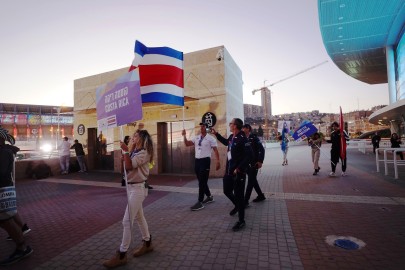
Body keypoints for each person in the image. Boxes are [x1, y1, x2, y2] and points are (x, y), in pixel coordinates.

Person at [103, 130, 154, 268]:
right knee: (139, 217)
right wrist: (125, 155)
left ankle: (122, 254)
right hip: (131, 188)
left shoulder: (144, 152)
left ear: (142, 139)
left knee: (126, 221)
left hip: (138, 189)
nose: (133, 137)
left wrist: (125, 152)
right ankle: (147, 242)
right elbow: (125, 170)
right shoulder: (134, 152)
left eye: (136, 135)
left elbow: (130, 166)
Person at [211, 118, 252, 232]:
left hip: (238, 173)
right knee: (226, 191)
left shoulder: (243, 138)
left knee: (239, 195)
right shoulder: (231, 137)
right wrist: (216, 134)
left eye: (231, 123)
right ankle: (238, 206)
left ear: (236, 125)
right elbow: (225, 142)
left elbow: (249, 155)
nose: (229, 125)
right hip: (229, 171)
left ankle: (241, 220)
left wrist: (239, 168)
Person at [0, 127, 33, 266]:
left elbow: (0, 173)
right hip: (4, 188)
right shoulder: (5, 151)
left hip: (2, 188)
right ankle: (22, 240)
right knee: (8, 217)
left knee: (6, 219)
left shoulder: (3, 153)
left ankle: (22, 247)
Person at [182, 123, 221, 211]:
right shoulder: (197, 137)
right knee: (201, 181)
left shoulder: (211, 139)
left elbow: (215, 150)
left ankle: (200, 202)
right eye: (201, 126)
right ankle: (209, 197)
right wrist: (184, 136)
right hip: (197, 161)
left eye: (203, 126)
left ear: (206, 128)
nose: (201, 127)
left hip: (205, 161)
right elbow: (187, 144)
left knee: (202, 182)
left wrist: (218, 161)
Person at [242, 124, 266, 207]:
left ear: (248, 129)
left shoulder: (254, 138)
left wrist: (260, 161)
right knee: (253, 180)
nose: (242, 129)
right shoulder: (242, 138)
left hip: (254, 163)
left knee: (250, 181)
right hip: (246, 164)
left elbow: (261, 149)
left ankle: (245, 201)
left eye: (244, 128)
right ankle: (261, 196)